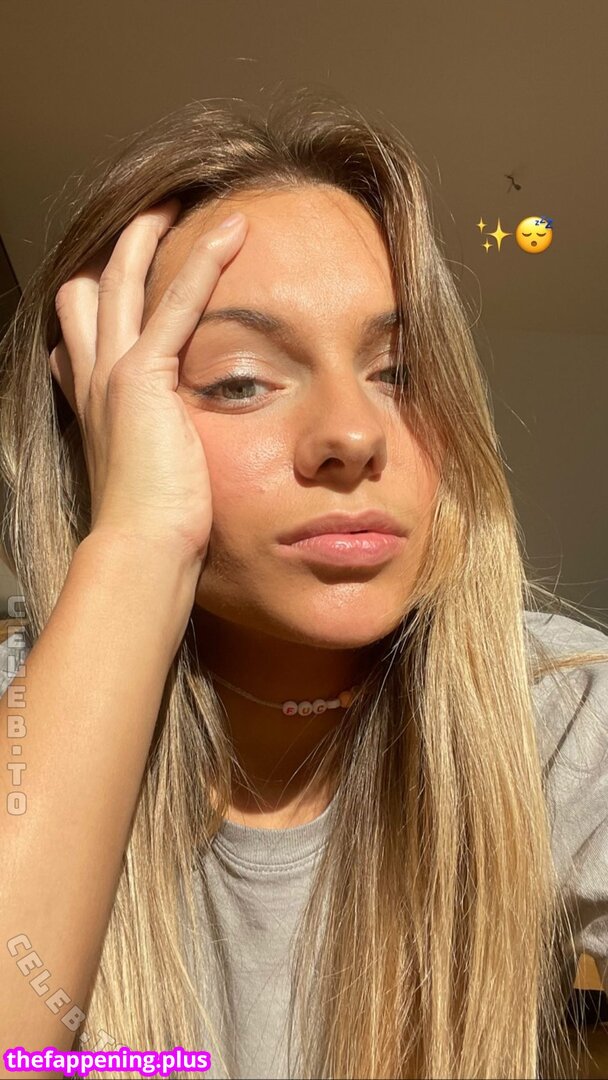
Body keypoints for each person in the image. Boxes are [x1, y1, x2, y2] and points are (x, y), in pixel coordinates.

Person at [0, 88, 606, 1080]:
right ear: (105, 433)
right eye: (240, 380)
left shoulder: (560, 710)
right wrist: (138, 544)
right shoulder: (21, 712)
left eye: (398, 372)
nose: (355, 435)